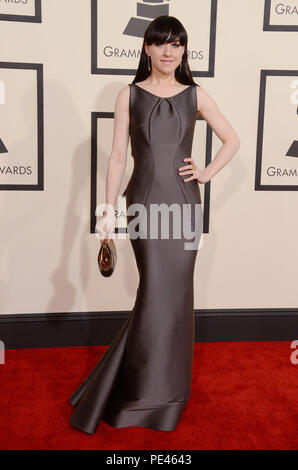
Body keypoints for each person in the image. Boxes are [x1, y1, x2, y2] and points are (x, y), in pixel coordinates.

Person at [69, 15, 240, 434]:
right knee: (153, 294)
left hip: (184, 207)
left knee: (177, 298)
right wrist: (106, 212)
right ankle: (141, 391)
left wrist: (206, 173)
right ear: (146, 48)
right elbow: (116, 158)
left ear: (184, 50)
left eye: (177, 44)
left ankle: (168, 391)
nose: (169, 52)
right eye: (161, 43)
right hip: (143, 204)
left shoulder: (196, 94)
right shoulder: (129, 95)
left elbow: (232, 139)